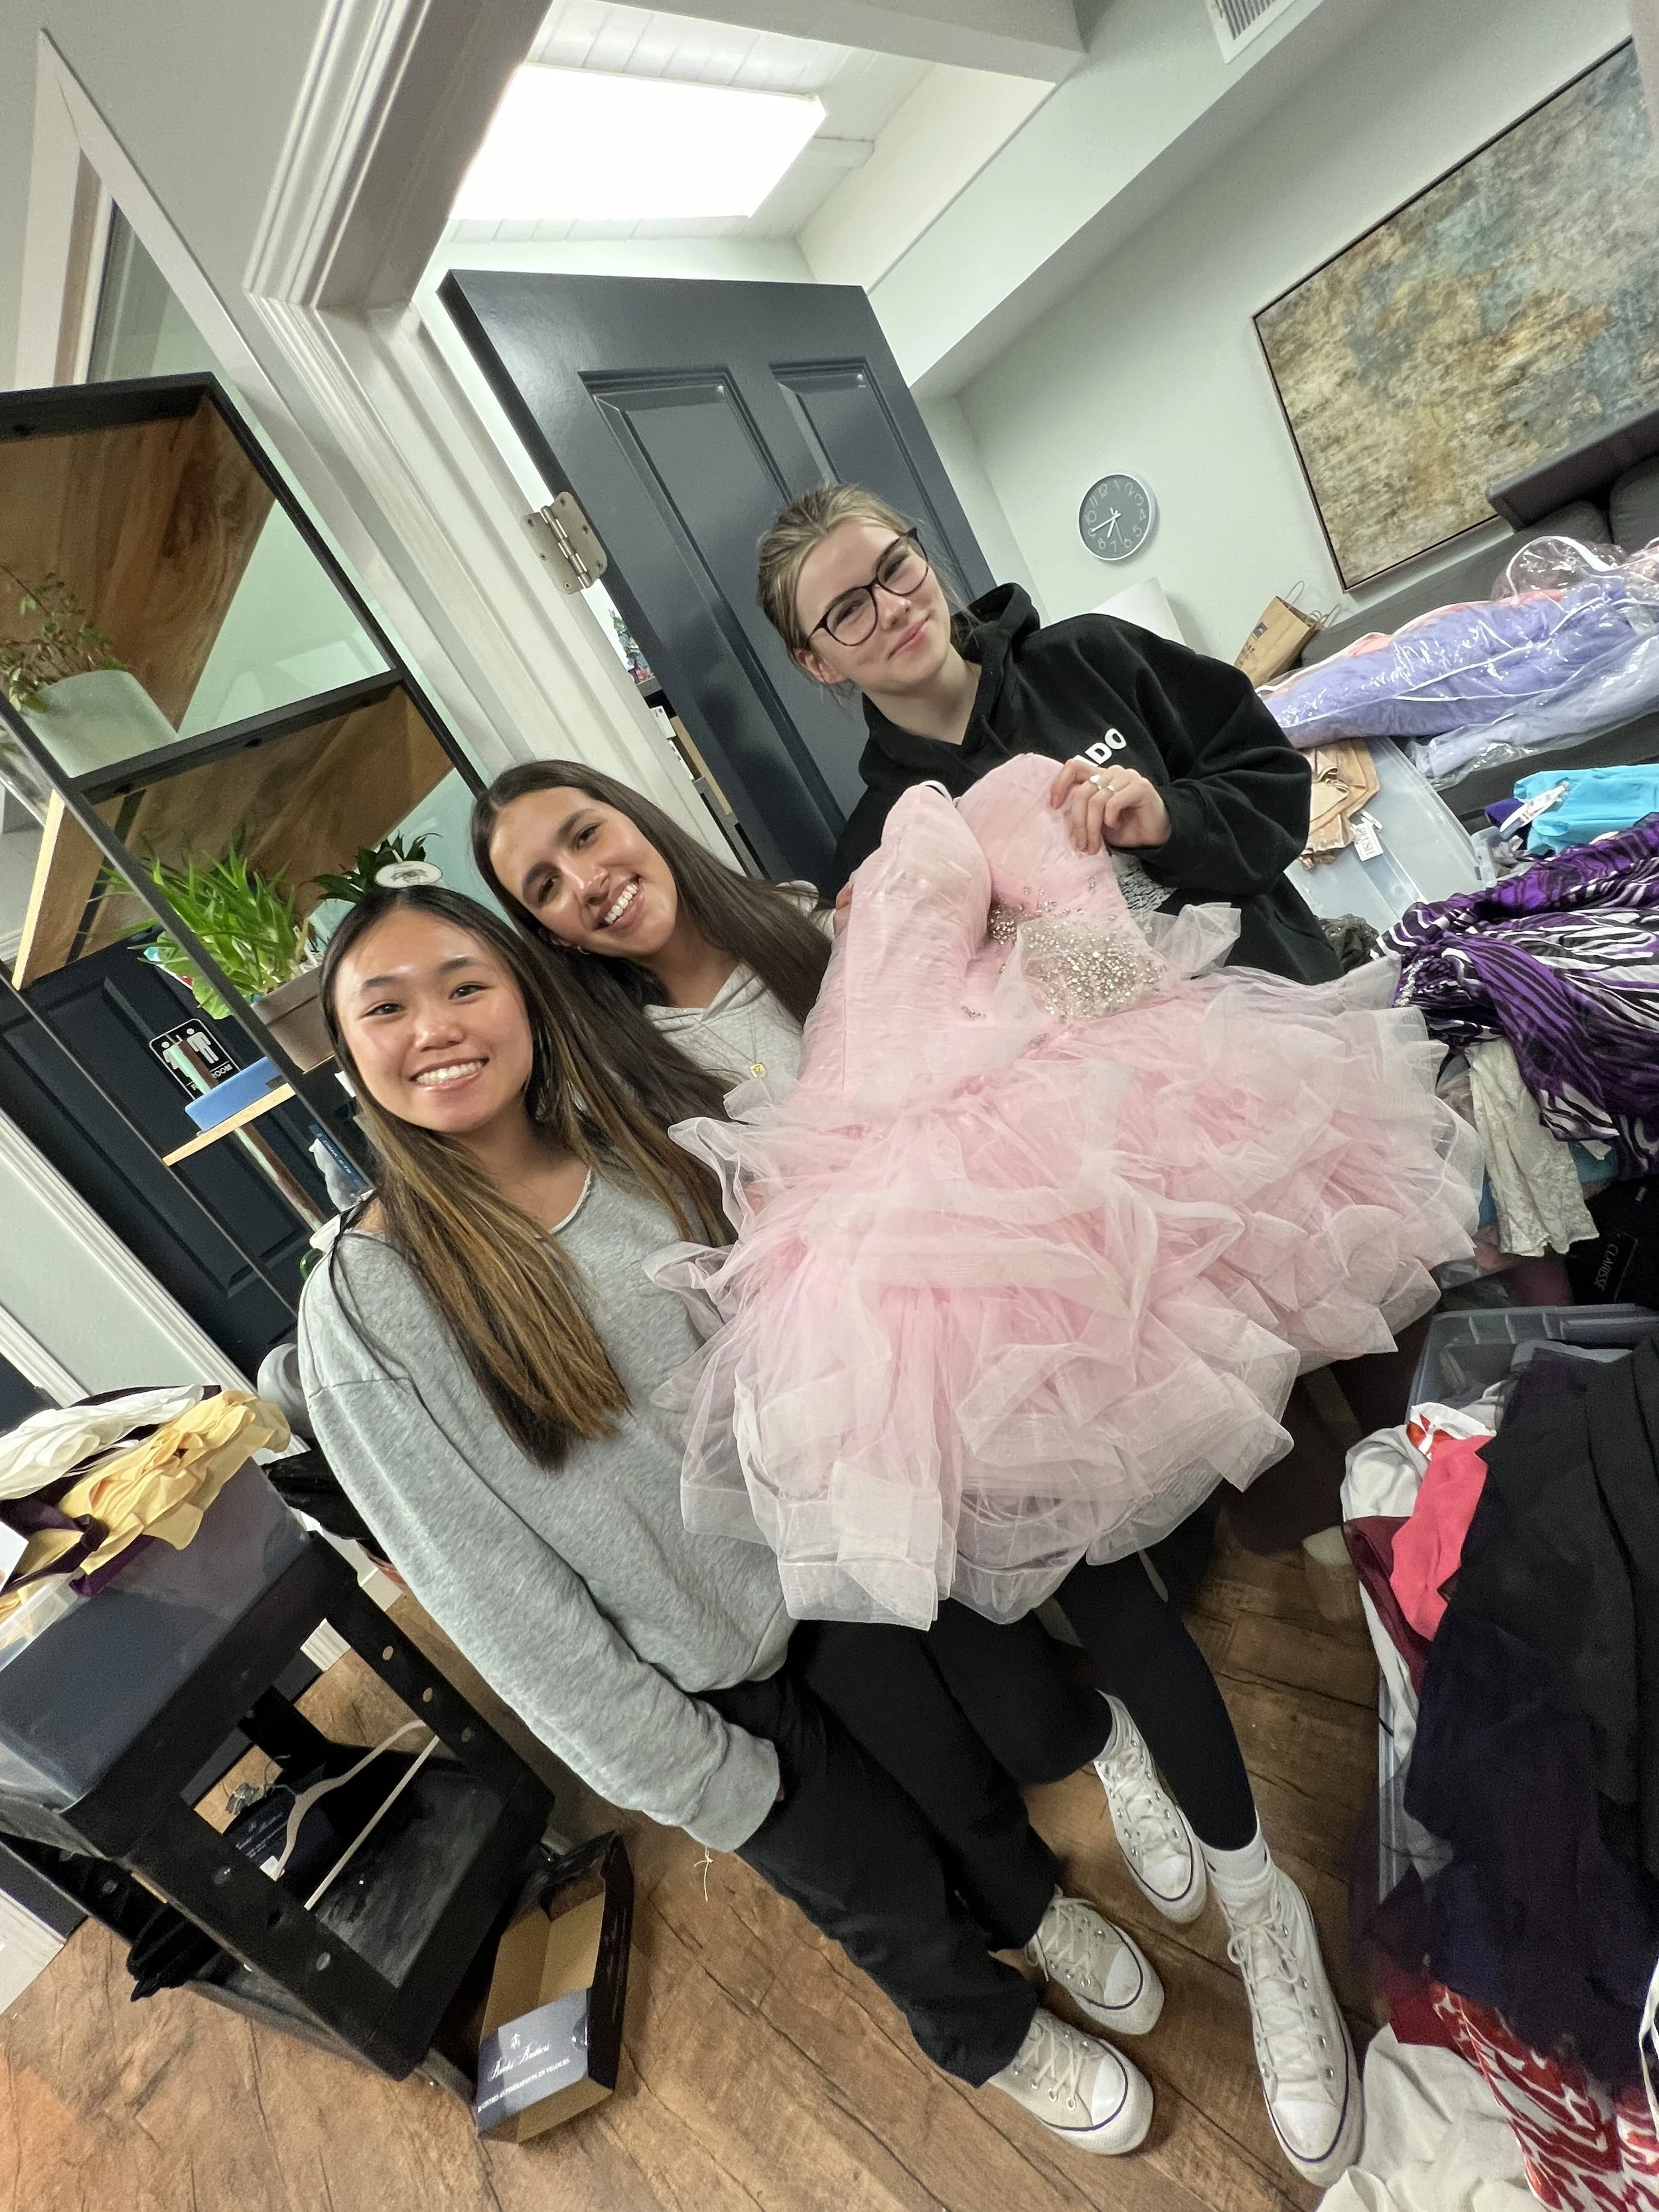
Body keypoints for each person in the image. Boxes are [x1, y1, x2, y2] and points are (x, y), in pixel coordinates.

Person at [473, 771, 1366, 2185]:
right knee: (984, 1651)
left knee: (1113, 1598)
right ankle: (1111, 1756)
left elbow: (1056, 989)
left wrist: (1073, 878)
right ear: (551, 937)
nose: (581, 878)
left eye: (583, 833)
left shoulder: (807, 926)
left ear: (631, 818)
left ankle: (1267, 1919)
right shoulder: (605, 1076)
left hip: (996, 1307)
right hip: (850, 1388)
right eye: (541, 885)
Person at [298, 883, 1177, 2161]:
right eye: (385, 1006)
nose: (435, 1025)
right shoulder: (367, 1309)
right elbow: (496, 1597)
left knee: (965, 1791)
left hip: (827, 1580)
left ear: (528, 999)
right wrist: (678, 1770)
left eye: (465, 983)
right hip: (702, 1683)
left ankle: (1036, 1910)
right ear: (351, 1052)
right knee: (877, 1895)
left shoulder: (636, 1158)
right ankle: (992, 2031)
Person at [755, 480, 1431, 1550]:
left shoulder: (1095, 661)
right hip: (1132, 1230)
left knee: (1424, 1386)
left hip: (1295, 1115)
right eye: (845, 610)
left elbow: (1267, 778)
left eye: (893, 566)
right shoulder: (876, 849)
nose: (889, 607)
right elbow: (925, 1070)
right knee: (1285, 1478)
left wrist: (1168, 815)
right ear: (816, 660)